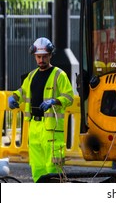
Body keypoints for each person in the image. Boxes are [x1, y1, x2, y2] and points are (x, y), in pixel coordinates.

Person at [8, 37, 74, 182]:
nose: (41, 60)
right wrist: (14, 97)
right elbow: (22, 91)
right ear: (34, 56)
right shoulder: (31, 76)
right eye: (38, 57)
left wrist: (54, 101)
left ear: (50, 55)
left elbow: (69, 97)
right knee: (37, 167)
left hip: (52, 130)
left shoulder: (59, 75)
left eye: (44, 56)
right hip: (35, 127)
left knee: (53, 167)